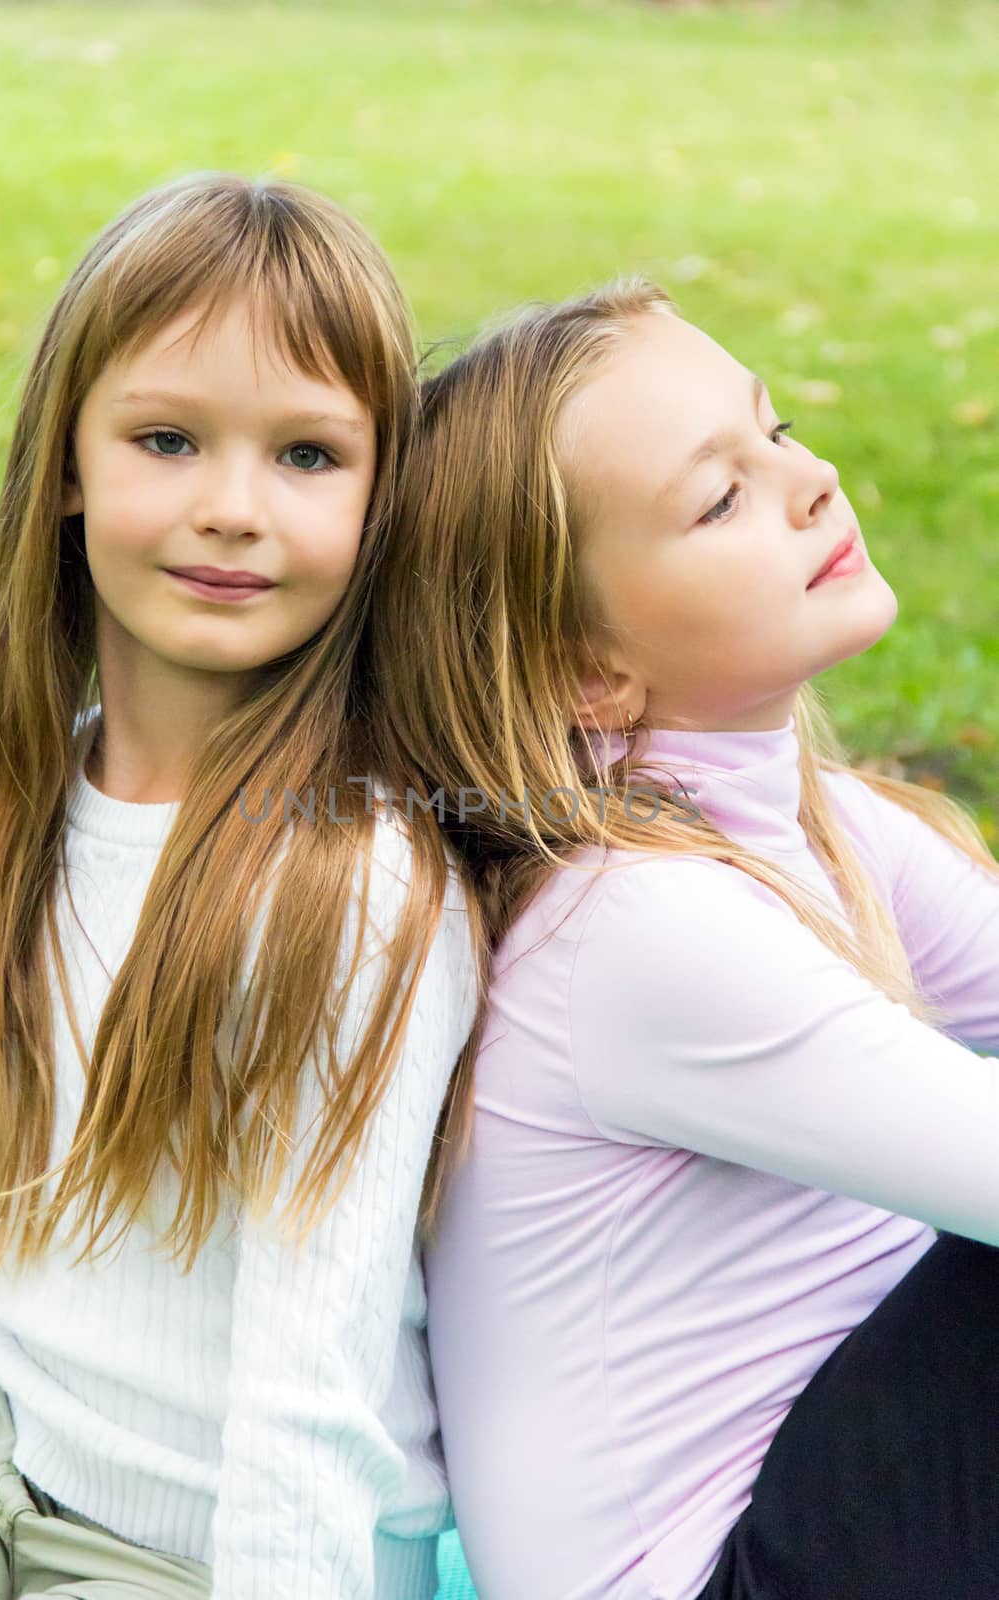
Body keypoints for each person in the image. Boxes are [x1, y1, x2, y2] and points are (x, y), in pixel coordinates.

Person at [361, 277, 999, 1600]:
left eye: (772, 435)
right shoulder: (634, 931)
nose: (810, 481)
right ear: (592, 671)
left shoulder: (834, 829)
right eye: (720, 498)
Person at [0, 172, 479, 1600]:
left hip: (190, 1552)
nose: (232, 510)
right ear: (67, 462)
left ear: (382, 497)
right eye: (168, 440)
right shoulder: (41, 785)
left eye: (307, 457)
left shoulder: (348, 882)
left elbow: (319, 1381)